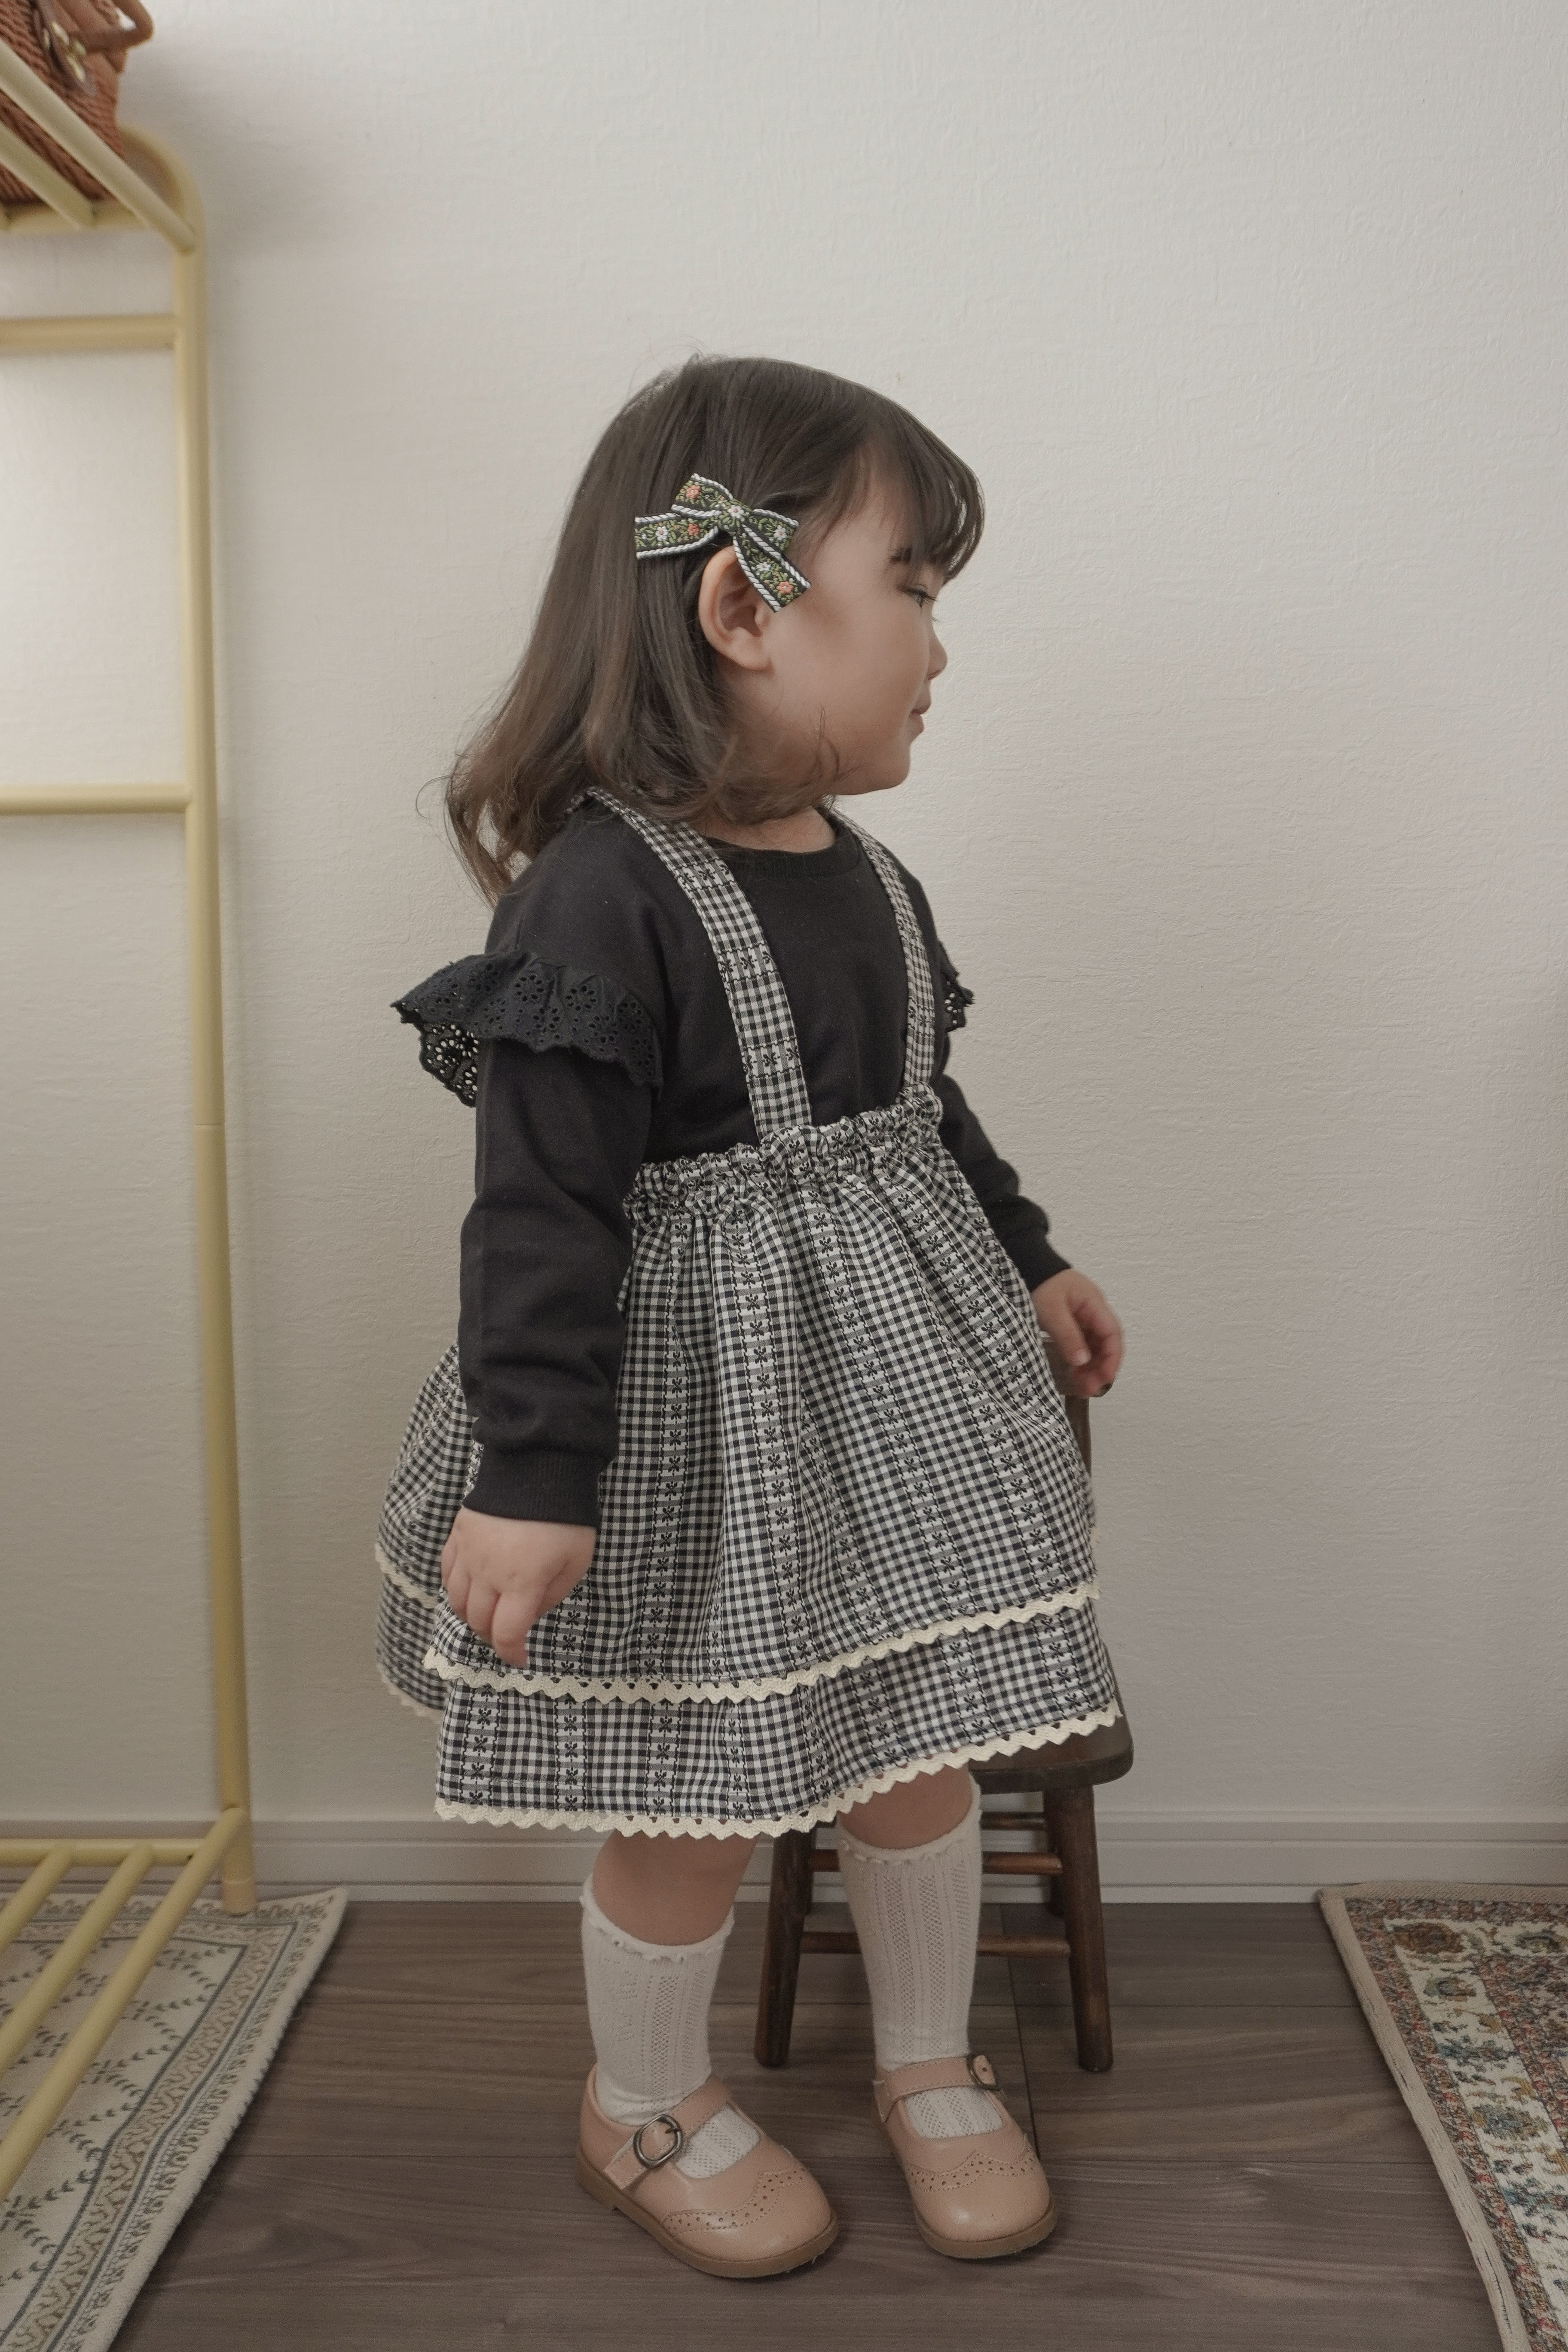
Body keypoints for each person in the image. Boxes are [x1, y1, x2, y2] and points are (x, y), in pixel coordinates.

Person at [375, 355, 1126, 2279]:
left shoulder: (871, 877)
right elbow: (536, 1213)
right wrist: (536, 1471)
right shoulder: (596, 902)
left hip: (890, 1411)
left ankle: (930, 2055)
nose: (940, 645)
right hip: (694, 1430)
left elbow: (922, 1107)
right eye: (915, 588)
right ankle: (641, 2097)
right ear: (740, 603)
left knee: (922, 1740)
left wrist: (1026, 1251)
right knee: (689, 1793)